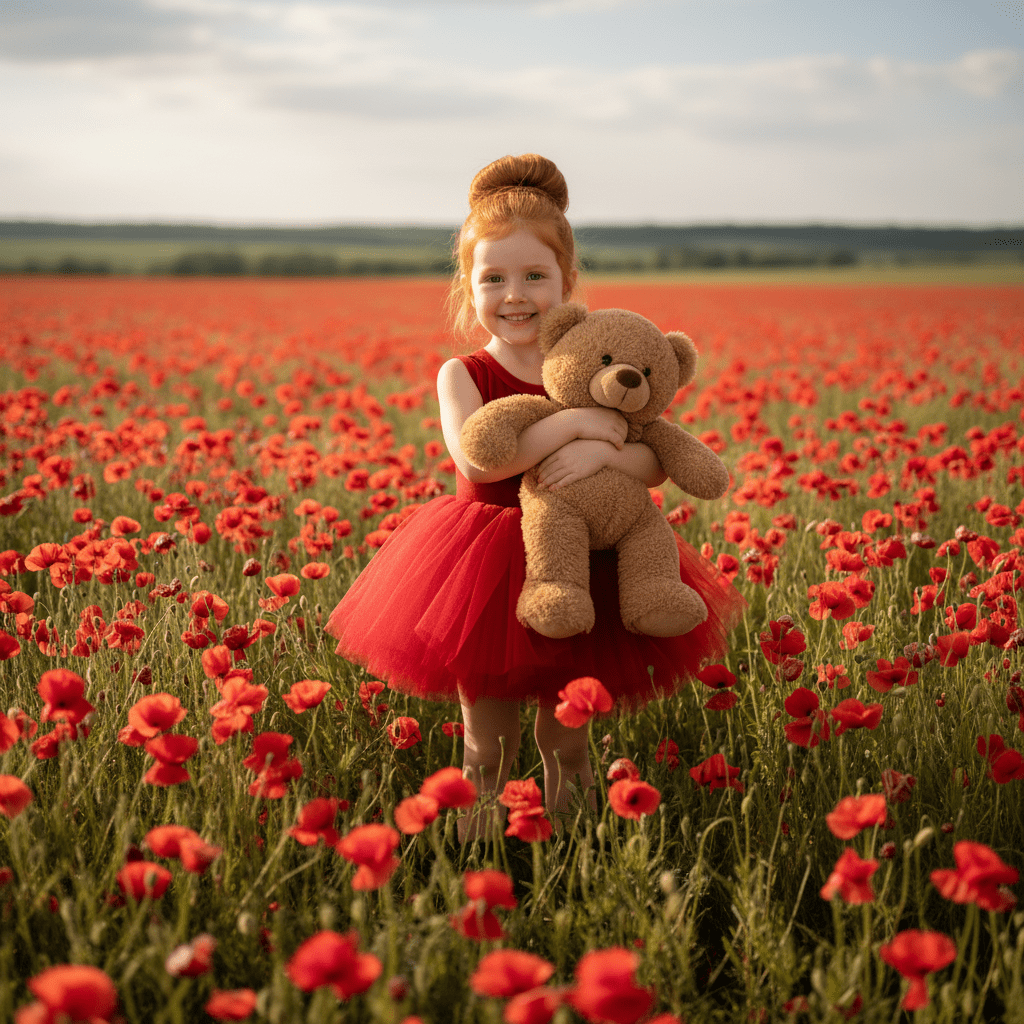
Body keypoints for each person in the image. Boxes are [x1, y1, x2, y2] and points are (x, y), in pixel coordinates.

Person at [326, 154, 745, 839]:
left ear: (567, 282)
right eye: (493, 278)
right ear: (468, 286)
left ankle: (573, 856)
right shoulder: (463, 373)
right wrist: (575, 427)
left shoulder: (592, 365)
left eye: (533, 276)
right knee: (487, 750)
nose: (513, 294)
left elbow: (648, 460)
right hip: (485, 566)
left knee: (570, 742)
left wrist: (603, 448)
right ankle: (476, 865)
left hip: (587, 565)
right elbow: (477, 459)